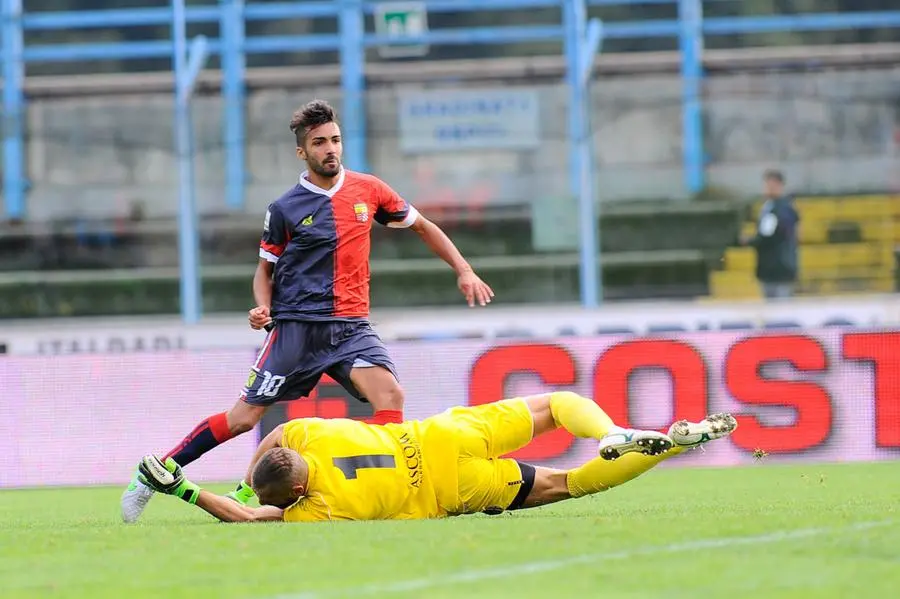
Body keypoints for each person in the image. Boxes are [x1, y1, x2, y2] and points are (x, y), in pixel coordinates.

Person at [121, 99, 494, 523]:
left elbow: (423, 227)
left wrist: (464, 270)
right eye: (320, 143)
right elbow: (264, 270)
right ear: (303, 151)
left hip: (351, 327)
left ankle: (368, 490)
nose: (330, 149)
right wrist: (262, 307)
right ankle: (156, 472)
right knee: (244, 419)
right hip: (297, 328)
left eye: (335, 140)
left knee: (391, 397)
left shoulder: (370, 190)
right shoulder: (285, 208)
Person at [136, 392, 738, 523]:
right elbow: (275, 435)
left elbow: (248, 520)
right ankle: (613, 431)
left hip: (453, 490)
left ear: (293, 491)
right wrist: (247, 478)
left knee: (571, 483)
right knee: (557, 404)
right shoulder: (309, 438)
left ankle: (666, 447)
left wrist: (187, 492)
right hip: (445, 435)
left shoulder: (315, 508)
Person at [742, 169, 800, 299]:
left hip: (779, 267)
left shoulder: (780, 209)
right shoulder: (770, 207)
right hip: (772, 267)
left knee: (780, 308)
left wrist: (749, 241)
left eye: (771, 184)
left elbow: (768, 236)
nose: (768, 188)